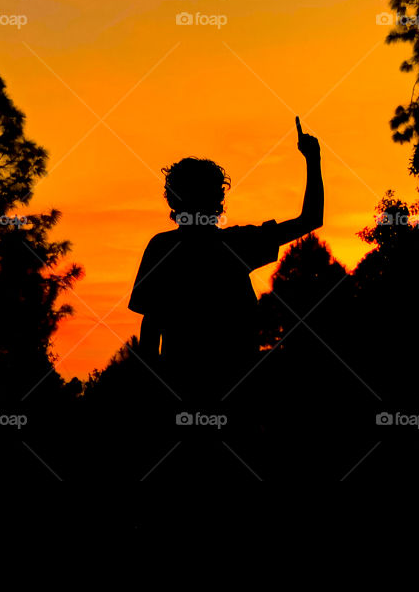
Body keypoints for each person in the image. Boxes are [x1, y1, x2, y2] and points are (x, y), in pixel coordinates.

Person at [128, 116, 324, 420]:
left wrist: (153, 395)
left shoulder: (162, 248)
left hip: (186, 392)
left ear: (172, 199)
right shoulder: (235, 244)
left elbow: (150, 328)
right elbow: (310, 218)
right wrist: (313, 159)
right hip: (231, 393)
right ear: (218, 199)